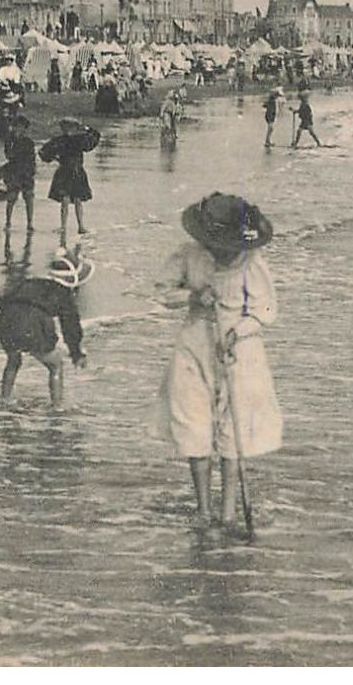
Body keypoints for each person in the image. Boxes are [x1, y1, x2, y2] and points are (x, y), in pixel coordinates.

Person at [153, 193, 281, 527]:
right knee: (192, 423)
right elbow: (162, 291)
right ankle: (204, 510)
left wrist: (239, 331)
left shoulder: (253, 262)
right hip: (194, 344)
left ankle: (226, 513)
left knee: (233, 428)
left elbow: (267, 310)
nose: (222, 250)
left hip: (241, 350)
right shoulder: (189, 255)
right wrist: (191, 295)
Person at [0, 246, 93, 408]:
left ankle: (4, 399)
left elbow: (3, 300)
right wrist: (76, 353)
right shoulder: (65, 295)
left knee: (13, 360)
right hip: (33, 323)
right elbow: (70, 327)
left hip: (5, 320)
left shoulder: (31, 282)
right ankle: (57, 406)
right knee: (55, 364)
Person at [40, 116, 100, 236]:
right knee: (66, 199)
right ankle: (65, 226)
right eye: (65, 127)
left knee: (76, 199)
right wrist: (53, 157)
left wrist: (53, 157)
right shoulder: (73, 139)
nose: (67, 129)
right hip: (69, 170)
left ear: (75, 127)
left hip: (72, 171)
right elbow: (44, 152)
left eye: (70, 126)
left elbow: (94, 138)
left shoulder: (74, 140)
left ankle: (80, 226)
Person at [0, 113, 38, 230]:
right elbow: (8, 155)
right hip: (14, 171)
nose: (19, 129)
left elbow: (32, 158)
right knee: (12, 197)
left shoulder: (29, 142)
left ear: (25, 129)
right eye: (16, 126)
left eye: (21, 127)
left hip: (26, 171)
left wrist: (32, 170)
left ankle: (30, 223)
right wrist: (11, 141)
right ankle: (8, 222)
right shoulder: (9, 141)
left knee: (29, 197)